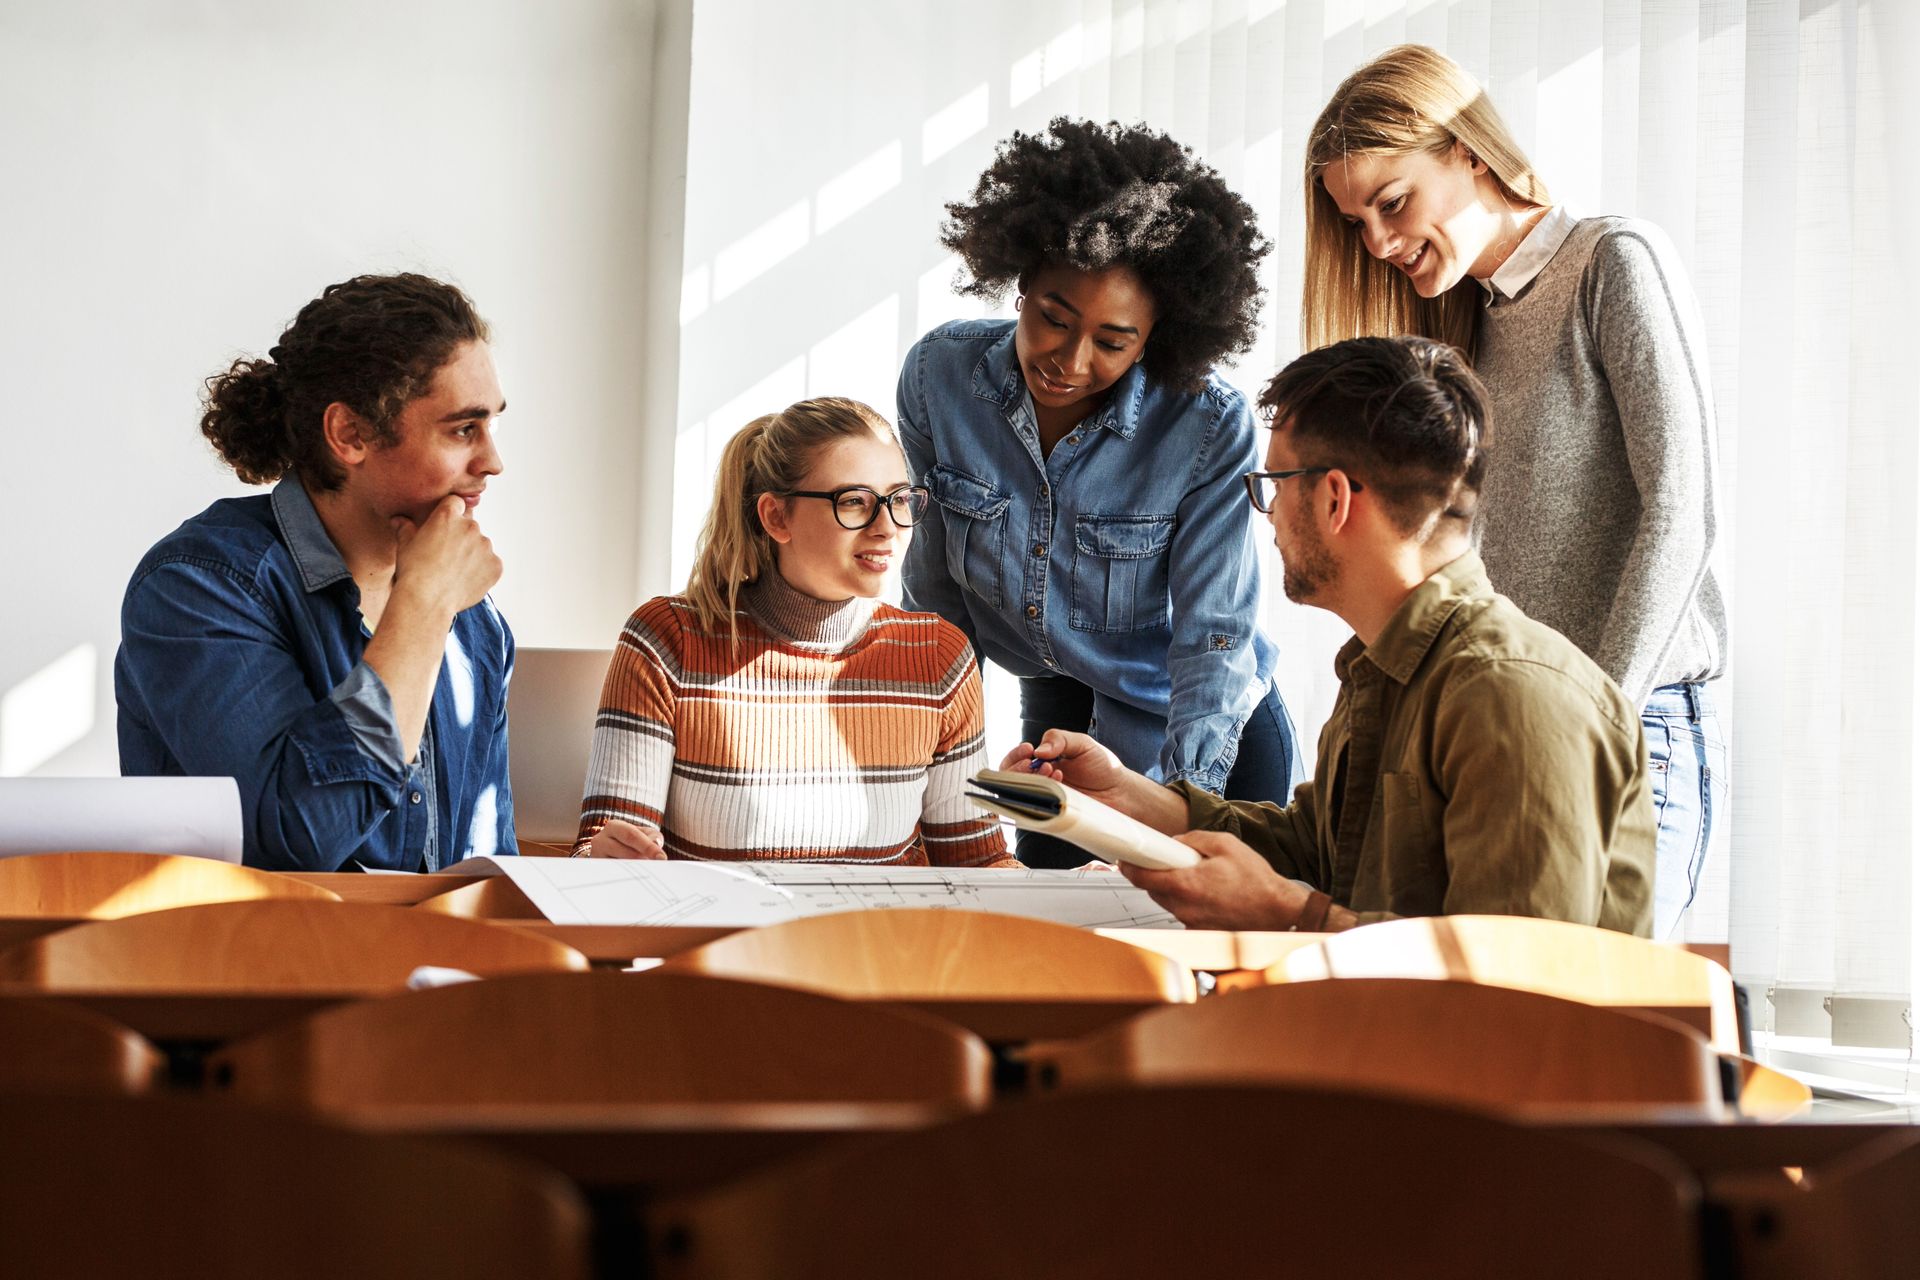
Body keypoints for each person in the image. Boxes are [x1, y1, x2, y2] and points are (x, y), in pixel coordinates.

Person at [1006, 336, 1655, 935]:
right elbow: (1314, 849)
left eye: (1270, 487)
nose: (1267, 518)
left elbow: (1510, 989)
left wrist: (1285, 913)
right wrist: (1127, 797)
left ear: (1335, 499)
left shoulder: (1512, 698)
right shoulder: (1385, 668)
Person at [1301, 44, 1724, 939]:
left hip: (1630, 722)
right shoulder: (1462, 328)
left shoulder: (1612, 263)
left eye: (1391, 203)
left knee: (1587, 1023)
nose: (1377, 243)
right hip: (1510, 736)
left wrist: (1593, 716)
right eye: (1357, 224)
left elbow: (1683, 513)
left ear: (1469, 153)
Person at [900, 118, 1303, 869]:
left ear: (1157, 339)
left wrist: (1183, 807)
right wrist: (935, 789)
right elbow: (936, 609)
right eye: (1053, 318)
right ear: (1020, 285)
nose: (1070, 360)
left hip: (1207, 733)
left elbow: (1214, 637)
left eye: (1113, 342)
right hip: (1061, 715)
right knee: (1054, 961)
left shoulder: (1208, 428)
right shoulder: (937, 380)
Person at [116, 273, 514, 872]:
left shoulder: (476, 623)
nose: (493, 462)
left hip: (431, 963)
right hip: (262, 961)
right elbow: (296, 841)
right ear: (349, 434)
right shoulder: (197, 586)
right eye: (463, 429)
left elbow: (485, 866)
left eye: (492, 426)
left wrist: (583, 873)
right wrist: (423, 609)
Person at [574, 397, 1016, 868]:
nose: (887, 528)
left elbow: (976, 866)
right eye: (854, 502)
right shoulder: (667, 640)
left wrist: (1087, 886)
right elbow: (600, 855)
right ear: (775, 518)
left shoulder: (937, 656)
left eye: (899, 499)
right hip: (723, 942)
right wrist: (608, 859)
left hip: (885, 943)